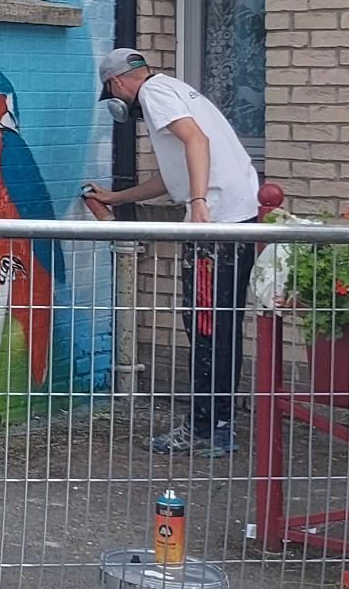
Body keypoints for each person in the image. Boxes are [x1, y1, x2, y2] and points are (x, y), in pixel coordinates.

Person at [82, 48, 261, 458]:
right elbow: (173, 173)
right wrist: (118, 196)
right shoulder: (176, 89)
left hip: (213, 227)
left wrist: (198, 203)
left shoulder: (153, 96)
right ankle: (219, 426)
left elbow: (195, 140)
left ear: (117, 84)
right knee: (222, 325)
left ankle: (203, 429)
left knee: (203, 326)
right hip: (237, 218)